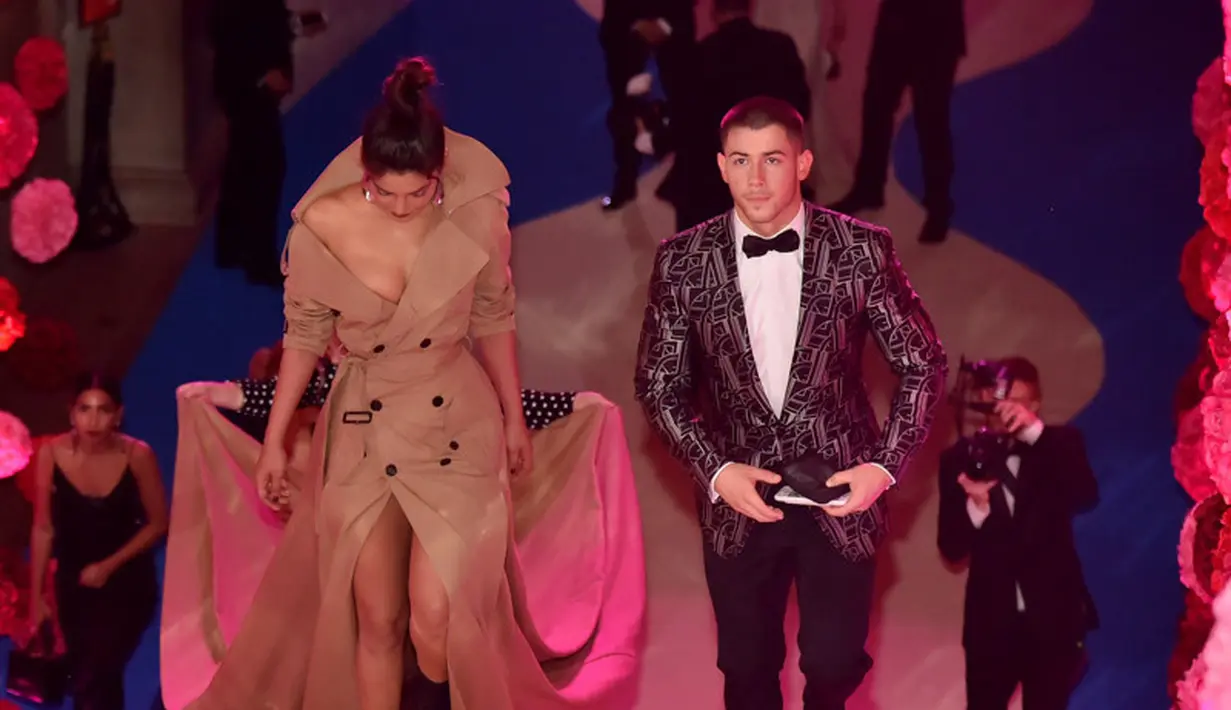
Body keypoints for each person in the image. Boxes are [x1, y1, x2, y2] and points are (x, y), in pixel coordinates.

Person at [177, 57, 642, 710]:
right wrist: (278, 440)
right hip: (363, 428)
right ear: (364, 176)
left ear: (439, 180)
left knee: (436, 622)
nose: (400, 207)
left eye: (416, 194)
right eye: (383, 192)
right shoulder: (320, 232)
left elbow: (494, 320)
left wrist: (513, 418)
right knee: (377, 619)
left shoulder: (477, 216)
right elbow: (305, 342)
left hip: (455, 420)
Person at [634, 96, 947, 710]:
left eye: (772, 160)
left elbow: (924, 363)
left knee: (833, 665)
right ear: (721, 167)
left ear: (802, 163)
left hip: (840, 493)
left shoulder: (862, 249)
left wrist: (882, 468)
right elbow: (657, 385)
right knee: (746, 672)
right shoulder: (681, 262)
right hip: (739, 498)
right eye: (742, 161)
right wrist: (717, 472)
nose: (755, 178)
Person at [937, 357, 1098, 709]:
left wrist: (1033, 431)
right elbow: (951, 547)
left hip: (1053, 621)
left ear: (1035, 404)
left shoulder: (1059, 446)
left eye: (1018, 402)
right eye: (998, 401)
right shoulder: (959, 458)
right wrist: (976, 507)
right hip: (990, 625)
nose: (1005, 411)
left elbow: (1085, 494)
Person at [26, 373, 168, 710]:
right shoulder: (50, 454)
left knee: (96, 673)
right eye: (84, 409)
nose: (93, 420)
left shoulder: (138, 456)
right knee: (94, 678)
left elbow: (159, 522)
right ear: (70, 413)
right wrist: (37, 597)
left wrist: (109, 566)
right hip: (73, 585)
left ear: (118, 415)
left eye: (103, 410)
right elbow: (43, 528)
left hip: (128, 585)